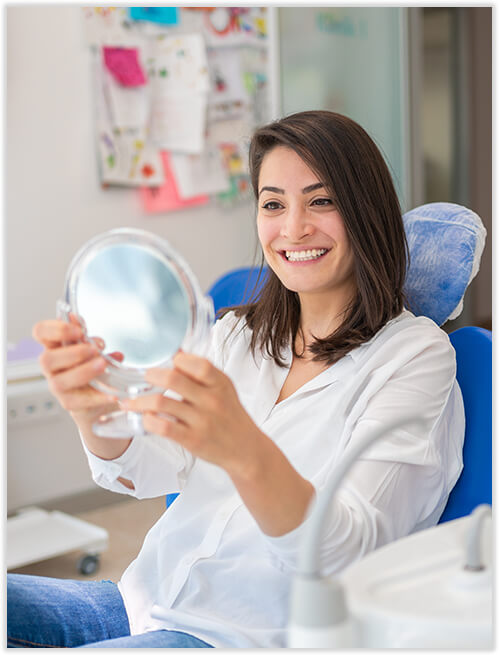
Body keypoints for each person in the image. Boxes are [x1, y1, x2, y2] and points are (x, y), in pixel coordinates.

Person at [8, 111, 465, 649]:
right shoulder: (238, 335)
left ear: (366, 211)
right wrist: (95, 411)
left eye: (322, 201)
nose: (292, 228)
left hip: (244, 638)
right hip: (139, 604)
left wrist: (244, 449)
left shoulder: (414, 358)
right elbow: (154, 467)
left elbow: (345, 551)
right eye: (273, 204)